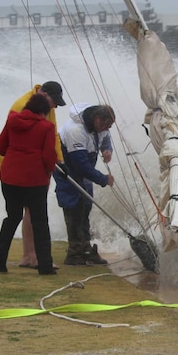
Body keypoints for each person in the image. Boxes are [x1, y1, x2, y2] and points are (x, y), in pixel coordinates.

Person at [0, 80, 66, 269]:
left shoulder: (44, 107)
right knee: (33, 216)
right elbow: (43, 145)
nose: (55, 107)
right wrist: (50, 166)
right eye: (55, 102)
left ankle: (27, 256)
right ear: (44, 96)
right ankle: (35, 258)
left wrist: (61, 160)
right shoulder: (21, 107)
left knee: (20, 215)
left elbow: (53, 137)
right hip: (28, 172)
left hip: (15, 171)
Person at [53, 103, 116, 266]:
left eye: (109, 126)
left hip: (84, 169)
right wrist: (103, 179)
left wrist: (107, 149)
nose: (107, 129)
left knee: (86, 205)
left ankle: (86, 249)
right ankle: (74, 253)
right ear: (97, 119)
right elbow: (80, 165)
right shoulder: (76, 131)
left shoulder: (100, 126)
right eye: (105, 125)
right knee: (74, 206)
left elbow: (106, 137)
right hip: (68, 169)